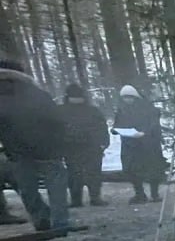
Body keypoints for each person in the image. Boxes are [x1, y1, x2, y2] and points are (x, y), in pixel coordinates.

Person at [0, 58, 71, 232]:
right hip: (47, 148)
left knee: (27, 188)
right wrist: (59, 142)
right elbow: (57, 119)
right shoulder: (37, 93)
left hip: (17, 151)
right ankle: (60, 222)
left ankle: (41, 219)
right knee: (56, 187)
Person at [60, 83, 110, 207]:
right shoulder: (92, 110)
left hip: (72, 147)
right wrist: (103, 143)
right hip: (90, 146)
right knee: (93, 173)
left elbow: (55, 130)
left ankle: (77, 200)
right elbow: (102, 128)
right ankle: (95, 197)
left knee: (74, 174)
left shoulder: (61, 110)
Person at [113, 84, 165, 203]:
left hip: (148, 144)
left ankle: (155, 194)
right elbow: (117, 124)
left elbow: (154, 123)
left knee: (152, 169)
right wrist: (116, 130)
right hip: (130, 145)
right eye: (125, 98)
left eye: (130, 97)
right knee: (133, 170)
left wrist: (144, 132)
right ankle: (139, 194)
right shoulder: (122, 110)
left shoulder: (148, 108)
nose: (127, 100)